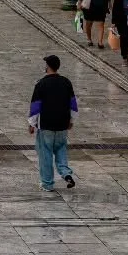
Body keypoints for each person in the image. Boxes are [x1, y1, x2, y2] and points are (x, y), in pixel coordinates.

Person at [28, 54, 78, 191]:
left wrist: (32, 124)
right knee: (61, 149)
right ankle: (66, 174)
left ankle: (47, 183)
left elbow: (35, 106)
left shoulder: (41, 84)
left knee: (45, 154)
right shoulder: (66, 82)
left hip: (46, 125)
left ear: (48, 67)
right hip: (62, 124)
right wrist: (71, 120)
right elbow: (73, 104)